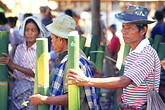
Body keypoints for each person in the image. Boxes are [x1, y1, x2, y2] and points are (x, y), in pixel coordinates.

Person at [66, 5, 161, 110]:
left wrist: (85, 80)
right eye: (123, 27)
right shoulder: (134, 51)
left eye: (129, 28)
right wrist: (121, 93)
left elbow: (124, 81)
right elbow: (125, 81)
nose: (124, 31)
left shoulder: (146, 54)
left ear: (143, 30)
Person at [29, 14, 101, 110]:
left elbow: (70, 97)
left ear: (60, 39)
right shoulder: (79, 53)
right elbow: (97, 73)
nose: (52, 42)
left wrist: (44, 99)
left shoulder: (70, 62)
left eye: (52, 38)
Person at [0, 16, 49, 110]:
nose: (29, 33)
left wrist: (13, 65)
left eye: (33, 30)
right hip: (17, 88)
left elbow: (36, 73)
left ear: (38, 32)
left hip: (32, 91)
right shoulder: (19, 48)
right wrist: (8, 63)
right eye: (27, 30)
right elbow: (15, 71)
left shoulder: (40, 50)